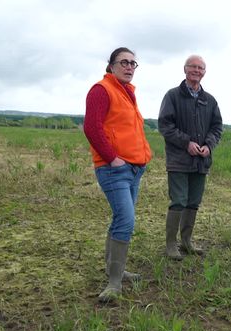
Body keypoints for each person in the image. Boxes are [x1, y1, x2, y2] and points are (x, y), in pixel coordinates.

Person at [83, 47, 152, 302]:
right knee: (126, 220)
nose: (130, 67)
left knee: (120, 219)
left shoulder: (128, 93)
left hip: (134, 169)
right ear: (110, 65)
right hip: (115, 170)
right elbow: (92, 127)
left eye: (134, 63)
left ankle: (117, 270)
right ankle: (114, 283)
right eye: (124, 62)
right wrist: (113, 159)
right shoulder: (102, 89)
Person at [158, 55, 223, 260]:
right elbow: (165, 126)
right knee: (178, 200)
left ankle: (186, 242)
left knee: (193, 202)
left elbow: (217, 127)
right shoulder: (172, 96)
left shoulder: (210, 100)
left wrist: (208, 145)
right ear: (185, 69)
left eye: (200, 68)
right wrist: (186, 143)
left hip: (201, 162)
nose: (196, 70)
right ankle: (171, 245)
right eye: (192, 67)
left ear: (204, 72)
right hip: (178, 160)